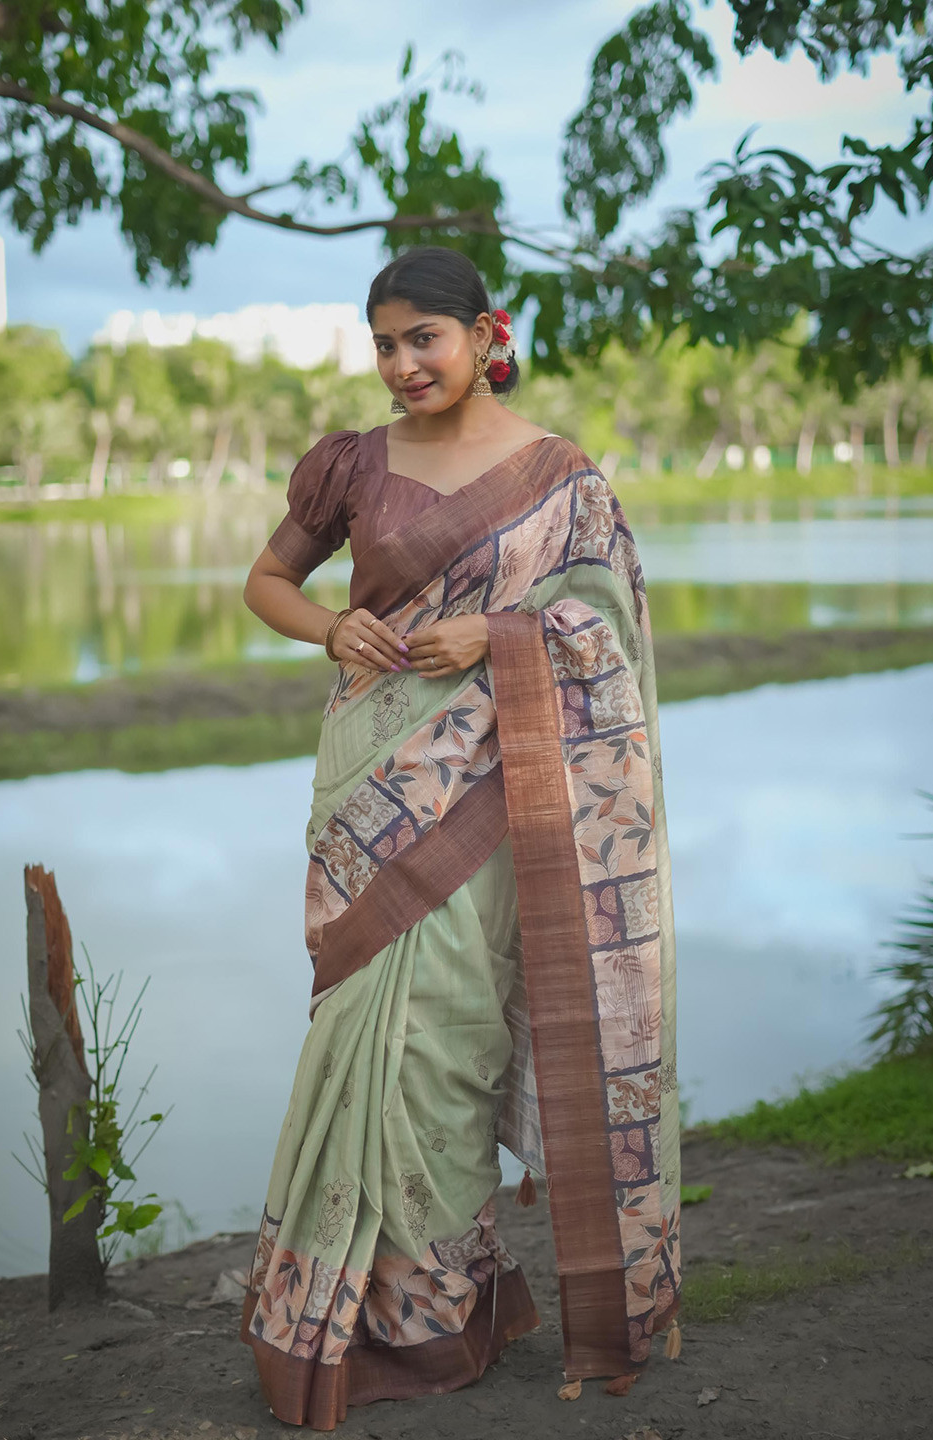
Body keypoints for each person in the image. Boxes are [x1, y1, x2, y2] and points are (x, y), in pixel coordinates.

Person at [239, 245, 681, 1431]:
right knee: (358, 1026)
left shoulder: (559, 475)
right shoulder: (352, 464)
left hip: (492, 782)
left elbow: (601, 619)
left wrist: (495, 633)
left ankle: (436, 1317)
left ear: (488, 332)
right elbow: (266, 582)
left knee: (449, 1032)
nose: (400, 364)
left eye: (422, 338)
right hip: (368, 782)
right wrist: (331, 629)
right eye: (383, 343)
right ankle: (342, 1310)